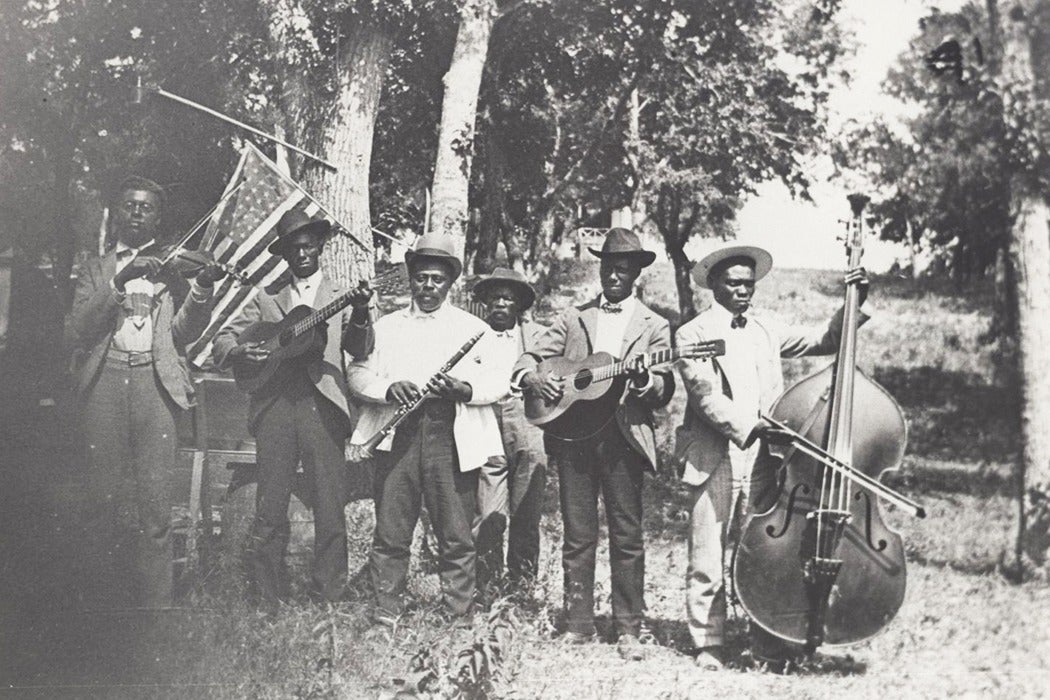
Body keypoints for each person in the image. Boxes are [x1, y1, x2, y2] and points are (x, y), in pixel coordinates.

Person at [673, 243, 870, 670]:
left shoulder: (766, 329)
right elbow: (706, 397)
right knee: (707, 553)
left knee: (761, 550)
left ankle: (765, 637)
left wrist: (854, 303)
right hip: (714, 455)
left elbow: (827, 339)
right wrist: (752, 426)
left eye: (749, 284)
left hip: (764, 460)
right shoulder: (691, 333)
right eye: (734, 284)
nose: (744, 291)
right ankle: (708, 642)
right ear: (715, 286)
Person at [512, 228, 675, 660]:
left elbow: (663, 387)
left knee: (627, 535)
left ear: (636, 273)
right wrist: (532, 376)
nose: (614, 275)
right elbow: (531, 355)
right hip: (574, 438)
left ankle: (628, 629)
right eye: (608, 267)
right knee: (577, 533)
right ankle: (578, 624)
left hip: (624, 439)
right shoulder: (574, 317)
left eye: (623, 268)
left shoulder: (654, 325)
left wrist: (642, 377)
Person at [66, 175, 226, 609]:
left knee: (156, 507)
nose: (137, 213)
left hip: (155, 386)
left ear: (158, 217)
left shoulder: (172, 267)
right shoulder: (96, 266)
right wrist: (120, 283)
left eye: (146, 207)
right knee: (101, 499)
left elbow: (184, 334)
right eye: (130, 205)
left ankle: (157, 613)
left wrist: (203, 288)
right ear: (117, 212)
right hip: (105, 383)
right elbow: (77, 329)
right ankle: (96, 608)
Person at [346, 233, 507, 624]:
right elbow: (357, 371)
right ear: (410, 279)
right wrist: (388, 388)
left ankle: (458, 615)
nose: (428, 286)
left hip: (450, 433)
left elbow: (501, 380)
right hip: (399, 433)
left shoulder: (475, 329)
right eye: (421, 278)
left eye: (436, 278)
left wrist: (464, 389)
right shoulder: (387, 326)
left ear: (450, 281)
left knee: (455, 531)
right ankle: (386, 613)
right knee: (392, 529)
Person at [212, 209, 363, 606]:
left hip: (321, 405)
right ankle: (266, 597)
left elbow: (361, 348)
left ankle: (329, 596)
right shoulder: (268, 297)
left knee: (330, 503)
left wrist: (362, 312)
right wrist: (240, 350)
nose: (302, 254)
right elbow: (224, 338)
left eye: (308, 246)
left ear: (320, 248)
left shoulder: (340, 297)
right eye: (294, 248)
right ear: (285, 255)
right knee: (271, 504)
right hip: (276, 404)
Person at [471, 267, 547, 595]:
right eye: (495, 298)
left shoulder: (539, 337)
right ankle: (487, 589)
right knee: (488, 512)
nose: (501, 304)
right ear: (486, 302)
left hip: (528, 420)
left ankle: (522, 590)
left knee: (527, 512)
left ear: (519, 305)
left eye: (508, 298)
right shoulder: (473, 336)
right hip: (485, 419)